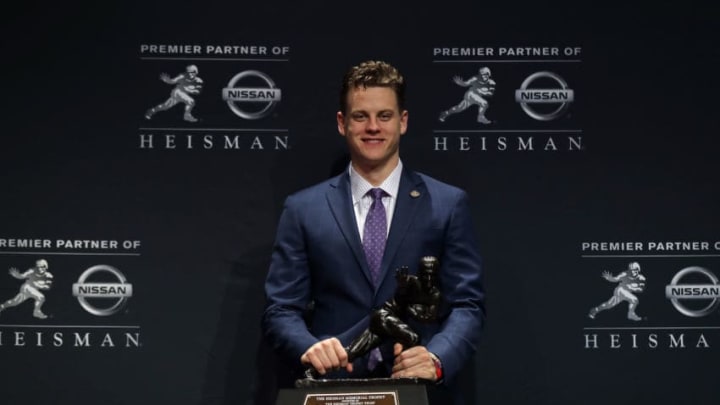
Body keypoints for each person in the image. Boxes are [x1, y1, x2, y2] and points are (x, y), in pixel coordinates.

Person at [262, 60, 485, 402]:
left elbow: (467, 304)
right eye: (360, 116)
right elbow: (280, 309)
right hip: (332, 387)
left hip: (417, 389)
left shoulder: (447, 204)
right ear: (342, 123)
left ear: (403, 121)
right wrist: (309, 347)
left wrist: (436, 358)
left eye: (384, 116)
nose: (373, 128)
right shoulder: (303, 209)